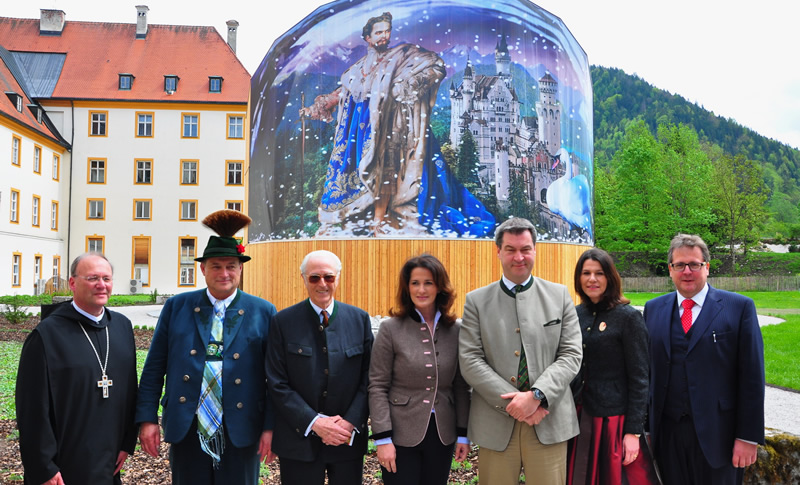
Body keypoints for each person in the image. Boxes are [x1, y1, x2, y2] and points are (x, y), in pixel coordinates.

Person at [300, 11, 494, 237]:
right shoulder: (358, 68)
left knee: (386, 169)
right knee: (368, 172)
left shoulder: (403, 55)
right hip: (362, 132)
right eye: (379, 32)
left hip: (394, 126)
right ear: (368, 37)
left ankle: (378, 222)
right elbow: (344, 92)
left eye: (387, 31)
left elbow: (435, 67)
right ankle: (363, 218)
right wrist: (317, 108)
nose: (384, 36)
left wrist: (409, 86)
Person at [136, 210, 277, 485]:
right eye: (216, 266)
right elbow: (154, 367)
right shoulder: (177, 307)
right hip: (188, 426)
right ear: (202, 268)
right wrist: (147, 419)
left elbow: (275, 378)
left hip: (243, 426)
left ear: (240, 268)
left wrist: (270, 427)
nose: (224, 273)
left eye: (230, 266)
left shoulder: (263, 311)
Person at [459, 217, 582, 485]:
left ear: (535, 250)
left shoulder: (560, 296)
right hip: (495, 423)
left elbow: (571, 355)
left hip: (548, 421)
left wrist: (537, 396)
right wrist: (517, 404)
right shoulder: (477, 301)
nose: (519, 257)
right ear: (499, 252)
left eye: (525, 249)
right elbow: (470, 360)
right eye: (511, 249)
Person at [644, 234, 765, 485]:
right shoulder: (653, 309)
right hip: (667, 436)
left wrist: (748, 437)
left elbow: (752, 376)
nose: (687, 271)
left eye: (694, 264)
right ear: (670, 270)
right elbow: (646, 374)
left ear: (707, 267)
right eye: (680, 265)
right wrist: (645, 428)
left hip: (720, 436)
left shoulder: (739, 307)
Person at [16, 252, 138, 485]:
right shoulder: (46, 335)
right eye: (92, 278)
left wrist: (126, 442)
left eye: (107, 278)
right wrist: (43, 467)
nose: (102, 285)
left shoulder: (122, 327)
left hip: (109, 461)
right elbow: (31, 409)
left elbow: (130, 389)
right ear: (73, 283)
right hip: (62, 466)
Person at [265, 250, 374, 484]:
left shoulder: (360, 320)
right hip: (298, 441)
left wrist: (349, 422)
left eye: (329, 277)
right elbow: (276, 382)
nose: (322, 284)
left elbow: (370, 378)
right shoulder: (282, 322)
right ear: (303, 278)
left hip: (347, 440)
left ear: (338, 277)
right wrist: (315, 422)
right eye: (314, 277)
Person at [368, 254, 471, 484]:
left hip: (442, 435)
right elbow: (377, 386)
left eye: (428, 283)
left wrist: (463, 434)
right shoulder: (390, 328)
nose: (421, 289)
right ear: (407, 288)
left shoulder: (456, 329)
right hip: (399, 434)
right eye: (415, 283)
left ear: (440, 287)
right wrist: (382, 439)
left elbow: (460, 385)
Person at [566, 248, 659, 485]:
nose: (592, 279)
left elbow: (640, 378)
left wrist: (633, 432)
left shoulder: (628, 318)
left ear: (610, 277)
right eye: (586, 273)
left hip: (613, 423)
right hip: (578, 418)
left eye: (599, 273)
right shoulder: (575, 315)